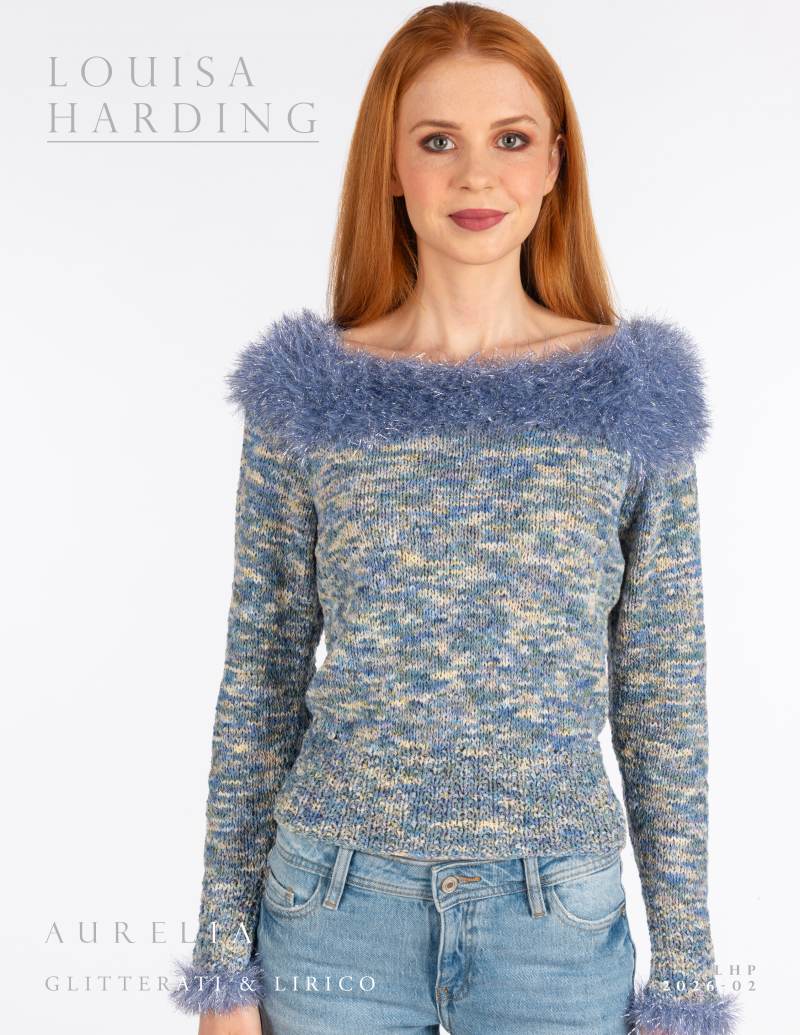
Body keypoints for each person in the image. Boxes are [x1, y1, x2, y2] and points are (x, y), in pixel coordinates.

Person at [169, 4, 741, 1033]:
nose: (477, 176)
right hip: (331, 911)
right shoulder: (310, 394)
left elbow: (663, 696)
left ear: (554, 162)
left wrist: (687, 979)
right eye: (438, 142)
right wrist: (222, 964)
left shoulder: (630, 394)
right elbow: (259, 676)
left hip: (553, 925)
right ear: (391, 167)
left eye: (509, 140)